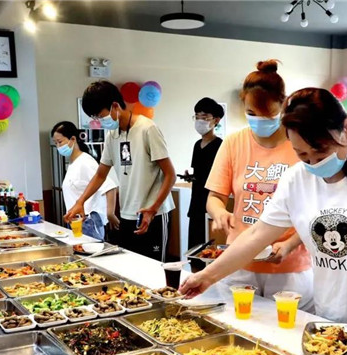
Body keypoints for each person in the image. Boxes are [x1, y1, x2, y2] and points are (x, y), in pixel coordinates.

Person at [181, 88, 347, 348]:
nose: (314, 163)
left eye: (321, 153)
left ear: (346, 128)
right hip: (329, 321)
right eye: (302, 155)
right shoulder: (296, 179)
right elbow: (256, 236)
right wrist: (207, 277)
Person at [203, 60, 314, 310]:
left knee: (286, 329)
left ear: (283, 106)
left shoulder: (299, 144)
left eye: (268, 114)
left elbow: (314, 210)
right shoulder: (234, 142)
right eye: (252, 113)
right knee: (236, 326)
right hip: (239, 261)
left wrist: (290, 244)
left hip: (289, 267)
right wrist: (219, 213)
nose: (259, 120)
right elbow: (214, 197)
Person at [65, 81, 176, 261]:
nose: (99, 121)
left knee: (156, 269)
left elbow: (170, 175)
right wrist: (80, 202)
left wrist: (153, 209)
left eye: (100, 115)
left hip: (153, 215)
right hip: (127, 214)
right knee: (130, 268)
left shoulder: (148, 129)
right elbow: (101, 174)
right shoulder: (112, 135)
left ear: (115, 106)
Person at [51, 121, 119, 240]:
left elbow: (110, 186)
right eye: (55, 143)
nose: (58, 146)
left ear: (73, 139)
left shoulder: (85, 162)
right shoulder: (73, 164)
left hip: (88, 222)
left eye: (60, 142)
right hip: (77, 222)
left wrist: (110, 214)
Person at [187, 97, 224, 272]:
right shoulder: (197, 145)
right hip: (195, 203)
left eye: (205, 117)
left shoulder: (220, 146)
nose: (200, 121)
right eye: (197, 117)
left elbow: (220, 176)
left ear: (216, 120)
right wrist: (190, 177)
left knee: (209, 253)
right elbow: (198, 172)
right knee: (194, 251)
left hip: (211, 203)